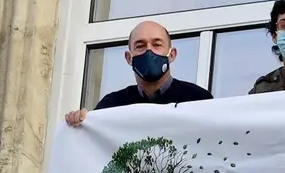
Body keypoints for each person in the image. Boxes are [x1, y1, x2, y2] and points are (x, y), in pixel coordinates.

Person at [65, 21, 212, 126]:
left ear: (172, 54)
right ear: (129, 58)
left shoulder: (197, 99)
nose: (149, 51)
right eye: (140, 46)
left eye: (157, 45)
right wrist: (79, 122)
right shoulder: (112, 105)